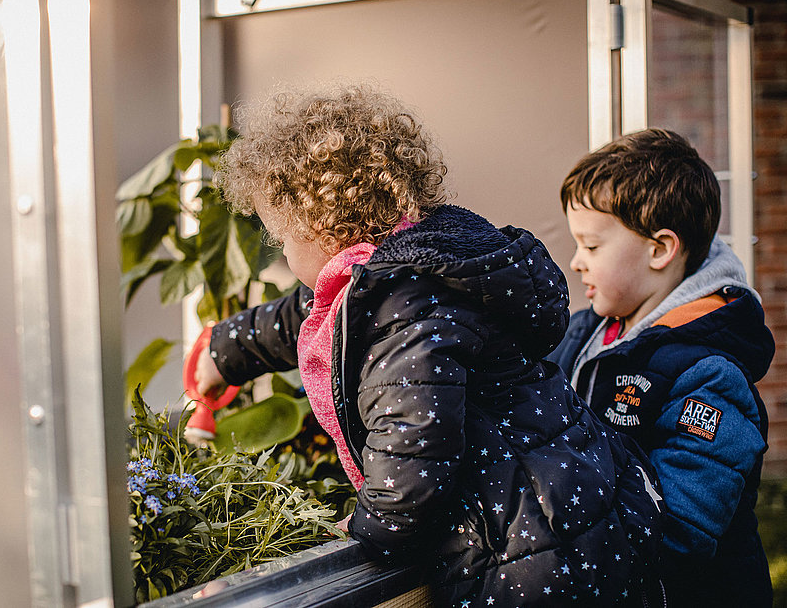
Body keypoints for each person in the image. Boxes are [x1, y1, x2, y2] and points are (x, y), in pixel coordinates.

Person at [193, 82, 663, 606]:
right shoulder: (419, 265)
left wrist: (368, 531)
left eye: (281, 238)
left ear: (320, 227)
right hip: (576, 507)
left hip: (528, 557)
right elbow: (308, 315)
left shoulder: (405, 307)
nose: (280, 251)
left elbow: (413, 449)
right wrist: (223, 348)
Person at [547, 128, 774, 607]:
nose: (575, 262)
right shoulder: (583, 334)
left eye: (591, 246)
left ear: (659, 250)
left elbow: (679, 531)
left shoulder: (709, 378)